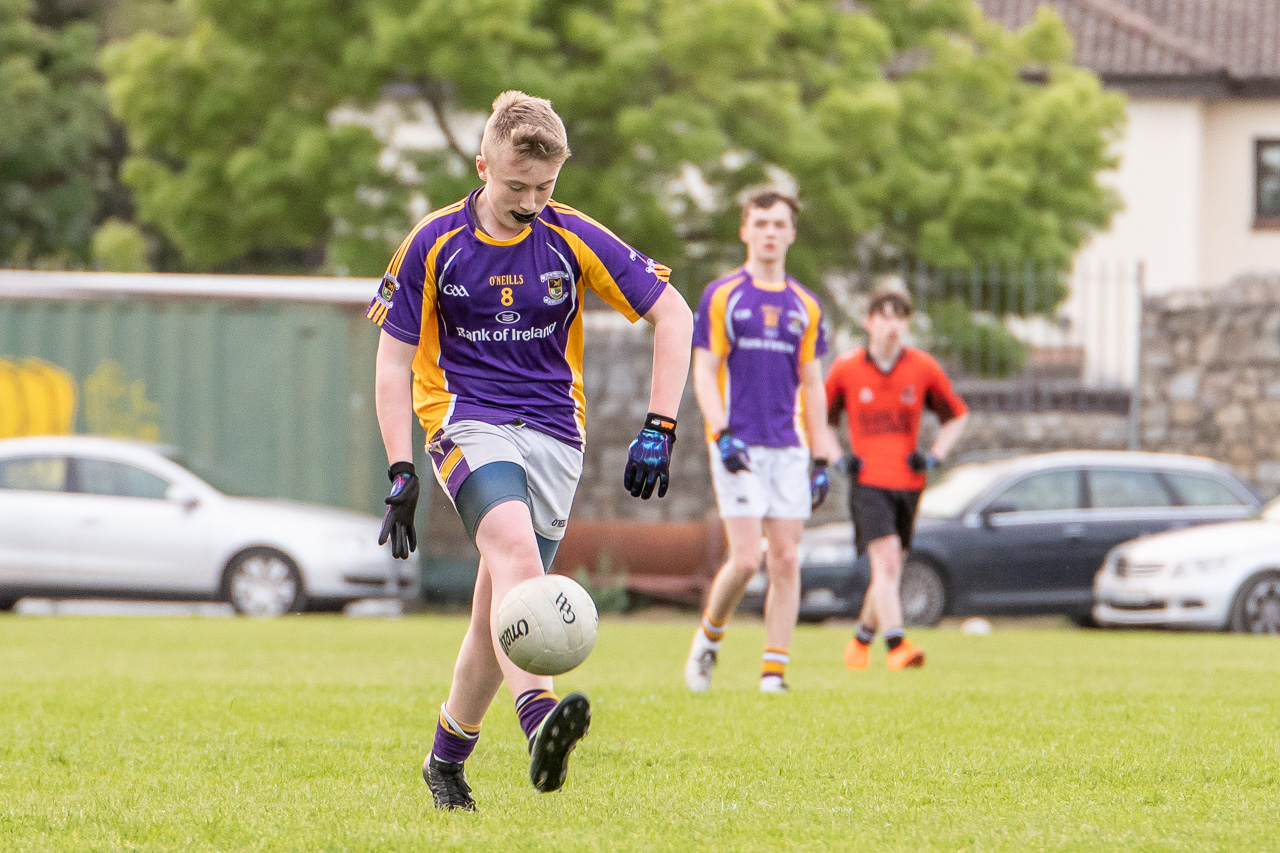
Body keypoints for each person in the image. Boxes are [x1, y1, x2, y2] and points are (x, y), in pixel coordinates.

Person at [368, 91, 693, 812]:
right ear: (483, 165)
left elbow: (675, 313)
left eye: (545, 188)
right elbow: (392, 364)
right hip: (464, 420)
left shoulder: (570, 234)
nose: (530, 201)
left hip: (555, 434)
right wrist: (401, 467)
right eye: (516, 186)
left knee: (500, 610)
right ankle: (542, 720)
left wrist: (661, 424)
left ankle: (446, 760)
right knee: (515, 553)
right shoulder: (432, 242)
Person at [683, 189, 842, 695]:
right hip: (739, 444)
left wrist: (821, 454)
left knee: (787, 558)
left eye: (779, 224)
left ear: (792, 233)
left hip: (788, 446)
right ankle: (709, 639)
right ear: (745, 231)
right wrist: (721, 432)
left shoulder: (806, 306)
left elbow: (814, 383)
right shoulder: (724, 295)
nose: (770, 232)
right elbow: (704, 371)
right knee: (747, 558)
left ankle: (773, 674)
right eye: (761, 223)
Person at [824, 290, 968, 671]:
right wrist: (839, 460)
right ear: (868, 322)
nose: (891, 325)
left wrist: (935, 455)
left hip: (909, 482)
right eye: (883, 316)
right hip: (869, 481)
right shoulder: (846, 369)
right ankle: (897, 646)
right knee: (887, 561)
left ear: (906, 324)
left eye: (899, 317)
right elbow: (818, 419)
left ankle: (859, 641)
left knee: (889, 570)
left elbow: (957, 415)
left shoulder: (922, 368)